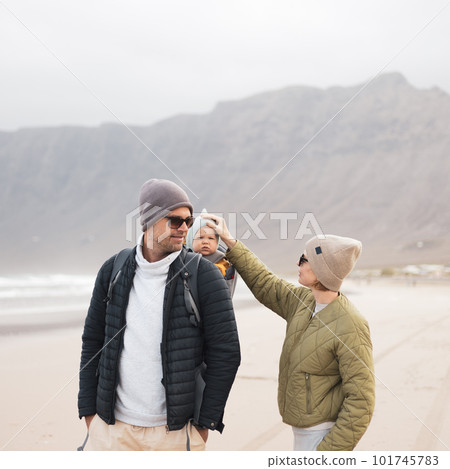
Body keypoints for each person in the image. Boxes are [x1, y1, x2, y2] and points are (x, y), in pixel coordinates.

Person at [77, 179, 240, 451]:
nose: (185, 228)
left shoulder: (205, 275)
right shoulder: (113, 270)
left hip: (175, 434)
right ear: (149, 221)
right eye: (176, 221)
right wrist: (89, 412)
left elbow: (226, 353)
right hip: (110, 430)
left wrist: (204, 424)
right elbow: (92, 341)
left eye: (188, 220)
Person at [202, 213, 375, 451]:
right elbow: (265, 282)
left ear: (322, 269)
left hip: (323, 436)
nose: (297, 264)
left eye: (303, 259)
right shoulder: (302, 301)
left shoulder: (351, 324)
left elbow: (362, 401)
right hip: (302, 433)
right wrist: (230, 241)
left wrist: (328, 453)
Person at [185, 208, 238, 296]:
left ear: (217, 243)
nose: (206, 241)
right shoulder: (183, 257)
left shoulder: (222, 264)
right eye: (200, 237)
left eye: (211, 238)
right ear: (191, 240)